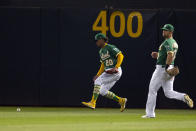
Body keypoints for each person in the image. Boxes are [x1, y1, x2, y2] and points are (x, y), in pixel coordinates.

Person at [142, 24, 194, 118]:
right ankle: (183, 97)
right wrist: (157, 55)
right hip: (170, 67)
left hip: (162, 69)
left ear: (171, 32)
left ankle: (150, 114)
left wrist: (166, 67)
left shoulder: (167, 42)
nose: (163, 31)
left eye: (166, 30)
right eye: (163, 30)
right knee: (169, 92)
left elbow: (170, 55)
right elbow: (167, 55)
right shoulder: (174, 42)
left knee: (152, 90)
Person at [82, 33, 127, 112]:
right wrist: (98, 74)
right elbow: (103, 64)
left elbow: (120, 56)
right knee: (102, 91)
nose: (96, 42)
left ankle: (93, 102)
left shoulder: (110, 47)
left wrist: (116, 67)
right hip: (109, 72)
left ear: (102, 40)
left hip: (115, 71)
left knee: (98, 81)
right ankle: (120, 100)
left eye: (97, 40)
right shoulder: (101, 51)